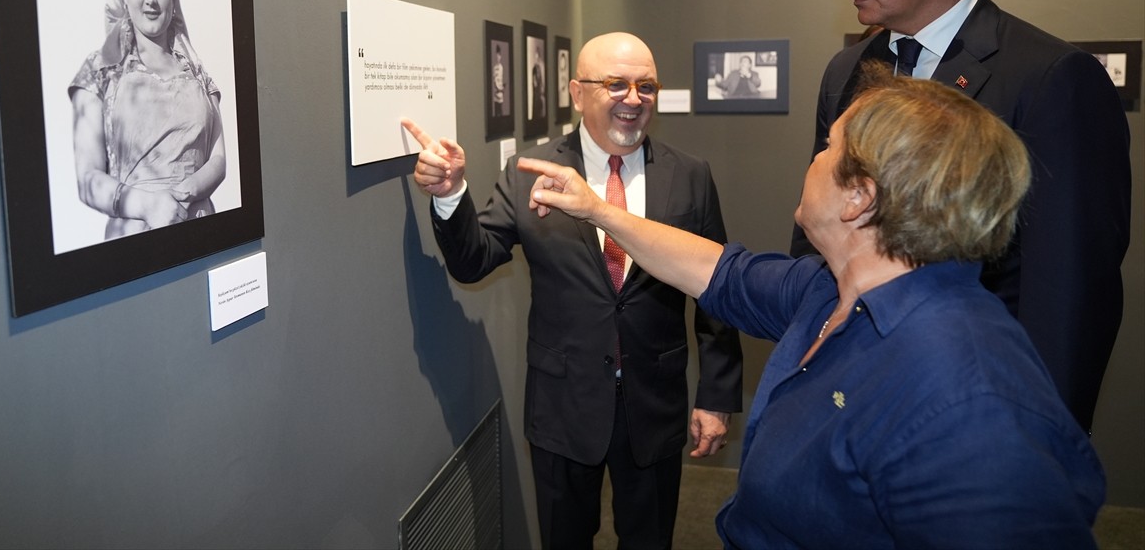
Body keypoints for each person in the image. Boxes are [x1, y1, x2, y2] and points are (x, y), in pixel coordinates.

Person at [521, 67, 1105, 550]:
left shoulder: (970, 398)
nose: (814, 160)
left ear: (860, 197)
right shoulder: (828, 290)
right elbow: (715, 270)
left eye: (829, 148)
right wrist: (599, 211)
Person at [791, 0, 1131, 433]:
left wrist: (1037, 435)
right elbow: (817, 234)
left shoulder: (1047, 76)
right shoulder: (844, 72)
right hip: (851, 393)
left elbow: (1069, 288)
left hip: (976, 400)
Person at [402, 32, 742, 550]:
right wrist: (451, 196)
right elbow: (474, 260)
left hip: (654, 405)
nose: (633, 99)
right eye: (616, 85)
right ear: (577, 92)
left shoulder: (690, 176)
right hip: (563, 407)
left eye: (646, 86)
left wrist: (717, 396)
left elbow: (717, 287)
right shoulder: (529, 173)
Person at [69, 0, 226, 239]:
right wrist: (150, 205)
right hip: (137, 239)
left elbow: (218, 158)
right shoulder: (100, 70)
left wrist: (187, 190)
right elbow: (87, 180)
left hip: (202, 230)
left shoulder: (195, 70)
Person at [491, 44, 505, 116]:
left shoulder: (501, 67)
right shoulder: (494, 67)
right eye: (496, 56)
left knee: (500, 111)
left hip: (500, 93)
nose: (498, 57)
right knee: (496, 111)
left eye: (499, 55)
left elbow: (502, 80)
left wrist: (501, 88)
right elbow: (494, 79)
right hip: (496, 93)